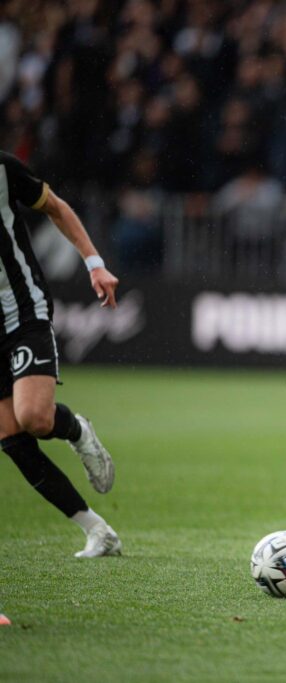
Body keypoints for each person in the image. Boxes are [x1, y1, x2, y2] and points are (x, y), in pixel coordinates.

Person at [0, 151, 121, 558]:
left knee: (34, 418)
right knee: (11, 436)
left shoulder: (3, 169)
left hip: (23, 309)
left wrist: (95, 264)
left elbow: (56, 207)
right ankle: (97, 530)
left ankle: (76, 430)